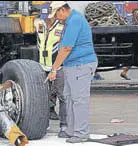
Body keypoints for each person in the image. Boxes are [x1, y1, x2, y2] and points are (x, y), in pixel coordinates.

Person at [47, 1, 98, 143]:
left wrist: (54, 69)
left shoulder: (75, 20)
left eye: (56, 14)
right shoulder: (70, 21)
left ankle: (81, 133)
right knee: (69, 97)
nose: (56, 18)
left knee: (79, 100)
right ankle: (71, 129)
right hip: (72, 65)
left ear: (62, 9)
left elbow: (66, 48)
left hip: (81, 64)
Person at [34, 5, 67, 122]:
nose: (47, 20)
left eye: (49, 17)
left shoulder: (62, 27)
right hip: (42, 65)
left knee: (61, 93)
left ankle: (64, 123)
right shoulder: (39, 24)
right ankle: (49, 112)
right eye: (44, 18)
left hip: (57, 66)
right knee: (44, 92)